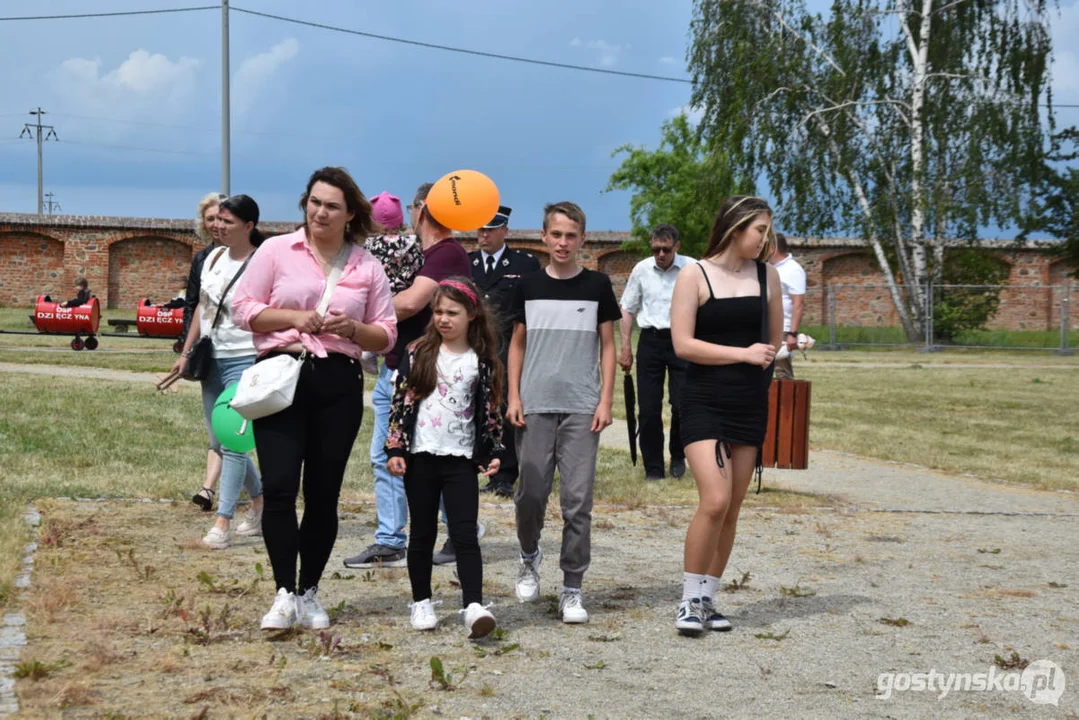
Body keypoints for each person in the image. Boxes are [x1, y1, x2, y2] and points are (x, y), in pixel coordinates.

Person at [232, 167, 397, 631]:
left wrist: (353, 329)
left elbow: (386, 334)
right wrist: (294, 317)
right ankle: (284, 593)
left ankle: (310, 592)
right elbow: (244, 309)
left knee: (323, 494)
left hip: (338, 381)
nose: (320, 212)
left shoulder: (367, 265)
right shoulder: (275, 250)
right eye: (315, 202)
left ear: (350, 215)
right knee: (280, 487)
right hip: (282, 373)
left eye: (332, 206)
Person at [343, 182, 471, 570]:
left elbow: (410, 303)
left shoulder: (446, 253)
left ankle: (400, 539)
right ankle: (434, 533)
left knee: (407, 454)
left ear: (421, 209)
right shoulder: (421, 254)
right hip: (396, 367)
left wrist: (358, 314)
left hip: (421, 372)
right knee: (403, 455)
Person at [669, 196, 782, 636]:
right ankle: (688, 601)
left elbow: (770, 346)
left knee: (732, 509)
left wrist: (764, 362)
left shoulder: (766, 276)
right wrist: (743, 355)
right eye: (760, 230)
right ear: (736, 228)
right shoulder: (694, 275)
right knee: (713, 501)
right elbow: (683, 344)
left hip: (749, 404)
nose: (765, 239)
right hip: (702, 401)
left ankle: (708, 599)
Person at [507, 201, 620, 625]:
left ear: (583, 240)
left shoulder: (598, 286)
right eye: (556, 234)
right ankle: (529, 555)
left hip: (581, 407)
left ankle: (572, 587)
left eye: (571, 235)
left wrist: (605, 400)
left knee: (577, 502)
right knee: (530, 494)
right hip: (534, 404)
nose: (563, 242)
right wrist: (514, 396)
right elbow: (516, 344)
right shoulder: (528, 285)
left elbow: (608, 346)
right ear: (543, 237)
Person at [385, 277, 504, 638]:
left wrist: (493, 452)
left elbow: (491, 411)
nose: (444, 319)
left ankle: (473, 605)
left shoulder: (481, 362)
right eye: (438, 311)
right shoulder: (418, 352)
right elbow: (400, 403)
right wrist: (395, 448)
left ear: (471, 315)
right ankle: (421, 601)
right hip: (420, 457)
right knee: (421, 532)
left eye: (452, 312)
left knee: (464, 533)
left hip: (460, 461)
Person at [172, 195, 265, 550]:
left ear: (248, 226)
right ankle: (259, 502)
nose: (218, 226)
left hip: (246, 357)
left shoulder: (262, 262)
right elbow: (202, 308)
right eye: (217, 220)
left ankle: (222, 521)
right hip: (212, 358)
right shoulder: (211, 257)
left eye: (227, 221)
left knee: (234, 442)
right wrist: (186, 352)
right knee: (220, 441)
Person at [469, 205, 541, 501]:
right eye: (480, 229)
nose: (484, 235)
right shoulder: (467, 262)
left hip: (509, 344)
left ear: (505, 231)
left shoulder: (524, 264)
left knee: (506, 407)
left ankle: (506, 473)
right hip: (473, 345)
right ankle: (480, 464)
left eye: (490, 229)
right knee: (476, 408)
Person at [618, 224, 693, 481]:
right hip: (650, 340)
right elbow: (627, 309)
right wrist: (626, 347)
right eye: (656, 249)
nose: (660, 254)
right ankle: (653, 466)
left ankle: (678, 453)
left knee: (682, 403)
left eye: (666, 249)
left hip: (682, 341)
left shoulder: (692, 269)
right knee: (649, 408)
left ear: (677, 247)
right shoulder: (641, 269)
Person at [186, 193, 224, 511]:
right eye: (209, 219)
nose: (215, 224)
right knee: (216, 425)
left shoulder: (251, 255)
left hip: (239, 352)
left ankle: (208, 488)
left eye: (221, 218)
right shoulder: (201, 258)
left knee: (228, 430)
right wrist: (188, 345)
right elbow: (192, 303)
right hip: (208, 350)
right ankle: (257, 496)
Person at [361, 191, 424, 375]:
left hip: (377, 296)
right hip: (402, 293)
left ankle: (369, 351)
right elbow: (419, 264)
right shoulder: (411, 244)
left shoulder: (367, 245)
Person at [769, 232, 806, 380]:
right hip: (768, 326)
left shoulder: (793, 269)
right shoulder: (770, 268)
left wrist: (792, 334)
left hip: (783, 328)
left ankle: (786, 403)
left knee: (782, 372)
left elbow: (798, 304)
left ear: (772, 248)